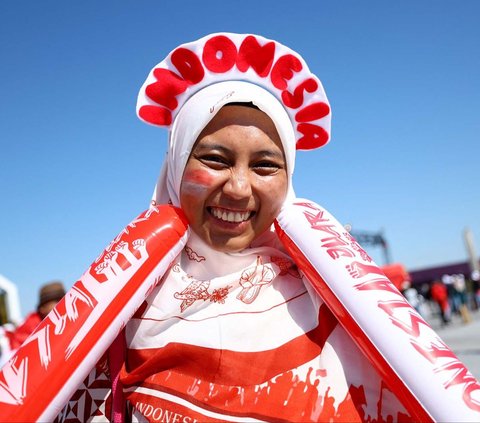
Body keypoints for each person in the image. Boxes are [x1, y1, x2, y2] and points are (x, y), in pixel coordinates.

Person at [51, 33, 418, 423]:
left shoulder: (337, 302)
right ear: (175, 166)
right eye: (214, 159)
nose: (239, 189)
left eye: (265, 166)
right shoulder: (119, 311)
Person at [2, 281, 65, 358]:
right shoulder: (31, 331)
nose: (64, 303)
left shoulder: (62, 321)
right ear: (42, 308)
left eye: (65, 299)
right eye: (57, 301)